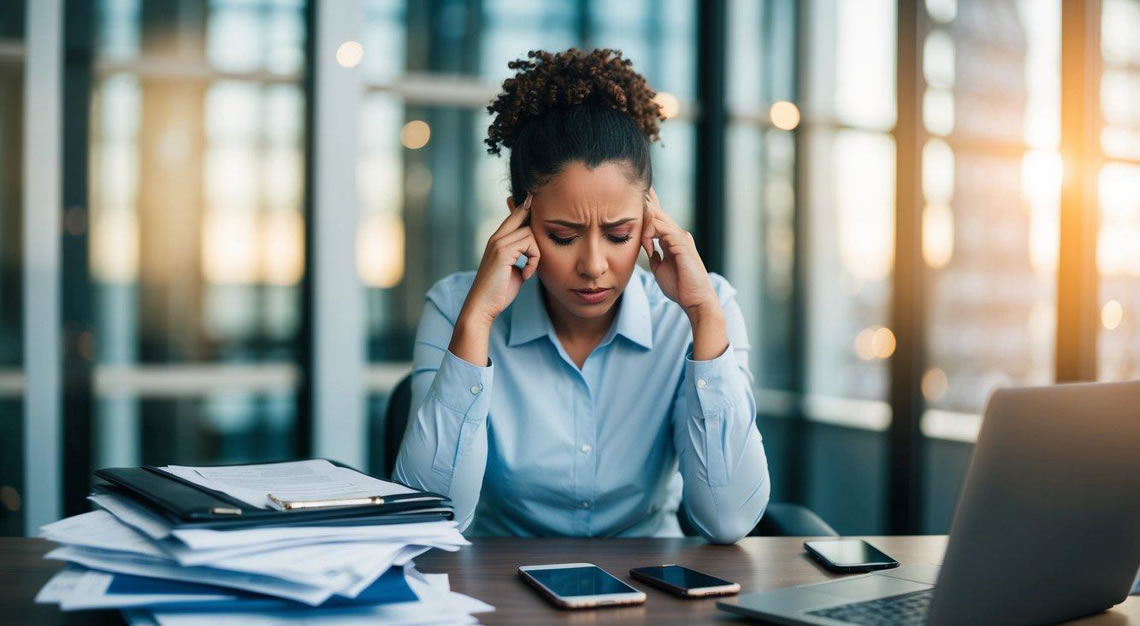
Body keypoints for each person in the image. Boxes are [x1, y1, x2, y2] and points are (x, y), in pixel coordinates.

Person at [393, 48, 769, 544]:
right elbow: (431, 516)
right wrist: (477, 322)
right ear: (518, 219)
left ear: (650, 218)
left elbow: (729, 520)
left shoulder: (703, 307)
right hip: (502, 587)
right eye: (563, 236)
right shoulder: (455, 305)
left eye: (618, 235)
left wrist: (703, 317)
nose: (593, 266)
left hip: (650, 589)